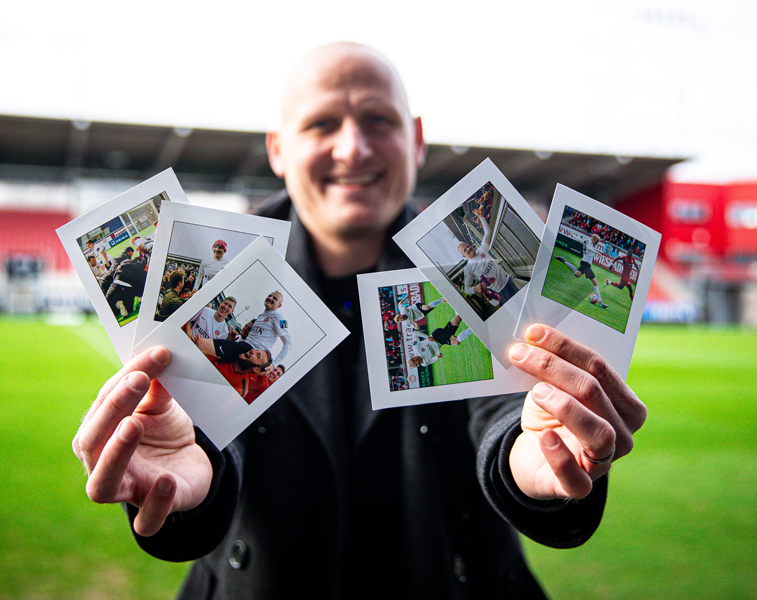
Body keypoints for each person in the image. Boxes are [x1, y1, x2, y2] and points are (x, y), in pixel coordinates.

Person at [72, 42, 646, 599]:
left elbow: (504, 412)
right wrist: (187, 481)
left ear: (416, 140)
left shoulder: (475, 267)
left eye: (378, 120)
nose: (353, 148)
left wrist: (533, 453)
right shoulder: (219, 271)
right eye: (321, 124)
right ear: (278, 148)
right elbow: (202, 436)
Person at [460, 207, 519, 306]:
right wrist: (475, 289)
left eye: (467, 246)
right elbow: (467, 289)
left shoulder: (481, 250)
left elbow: (488, 233)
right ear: (463, 255)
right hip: (500, 292)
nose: (468, 249)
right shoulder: (468, 268)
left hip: (508, 281)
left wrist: (481, 216)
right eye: (465, 250)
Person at [555, 233, 609, 308]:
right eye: (596, 242)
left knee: (579, 275)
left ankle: (564, 261)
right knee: (592, 281)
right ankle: (600, 302)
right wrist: (597, 252)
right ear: (593, 239)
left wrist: (572, 235)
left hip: (585, 264)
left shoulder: (586, 240)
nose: (595, 244)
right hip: (586, 264)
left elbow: (578, 239)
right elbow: (589, 248)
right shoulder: (589, 242)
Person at [243, 290, 292, 369]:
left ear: (279, 305)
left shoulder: (280, 318)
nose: (270, 298)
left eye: (275, 298)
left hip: (254, 351)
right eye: (270, 296)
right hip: (244, 346)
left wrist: (274, 364)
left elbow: (288, 343)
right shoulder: (260, 316)